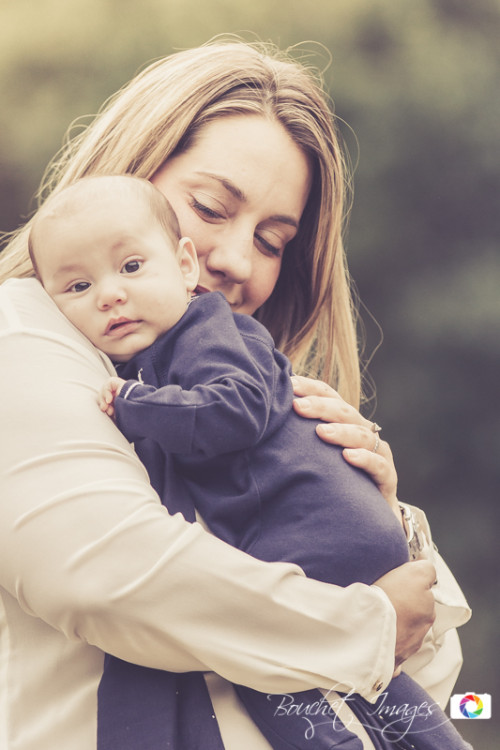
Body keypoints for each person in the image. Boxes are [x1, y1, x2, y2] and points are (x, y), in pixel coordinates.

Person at [0, 40, 468, 750]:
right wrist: (363, 624)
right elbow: (109, 578)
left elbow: (440, 693)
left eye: (274, 241)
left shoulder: (246, 409)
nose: (236, 261)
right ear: (123, 176)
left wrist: (376, 520)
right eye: (211, 207)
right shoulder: (22, 339)